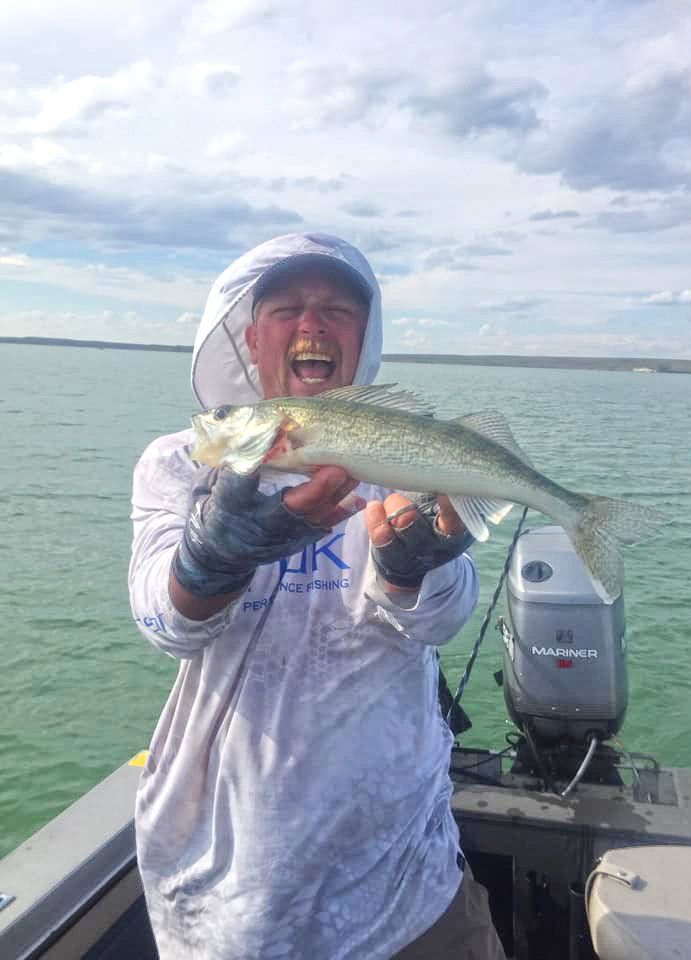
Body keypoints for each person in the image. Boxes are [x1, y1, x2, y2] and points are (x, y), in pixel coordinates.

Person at [129, 232, 506, 959]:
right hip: (230, 891)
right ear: (250, 335)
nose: (313, 325)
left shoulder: (396, 457)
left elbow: (446, 616)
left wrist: (411, 571)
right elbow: (163, 621)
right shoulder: (180, 465)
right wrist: (213, 558)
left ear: (364, 338)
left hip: (408, 876)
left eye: (337, 308)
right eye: (288, 308)